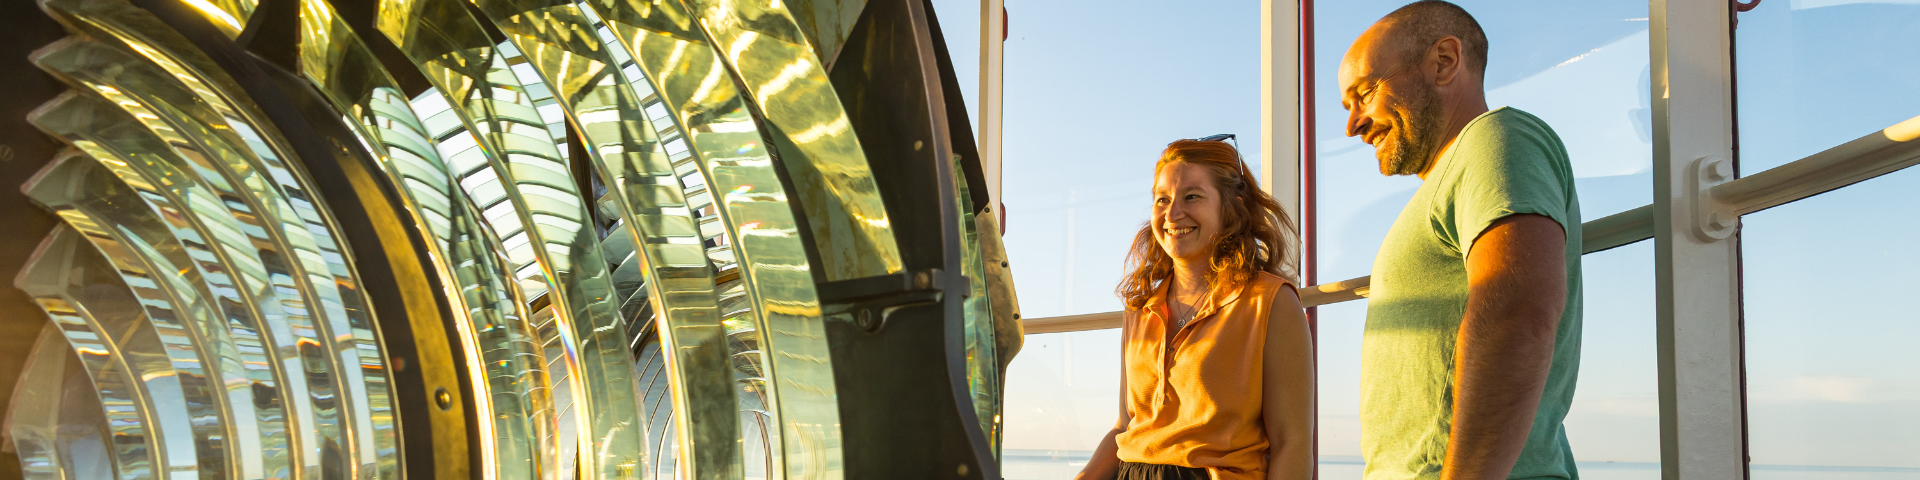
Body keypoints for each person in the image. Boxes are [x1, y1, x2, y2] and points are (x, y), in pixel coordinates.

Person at [1337, 1, 1584, 479]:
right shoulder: (1453, 177)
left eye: (1364, 93)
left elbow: (1519, 312)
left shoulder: (1498, 139)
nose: (1353, 124)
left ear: (1444, 62)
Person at [1075, 138, 1314, 480]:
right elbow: (1126, 427)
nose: (1173, 214)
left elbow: (1292, 443)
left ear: (1231, 206)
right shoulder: (1141, 307)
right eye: (1162, 200)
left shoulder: (1270, 301)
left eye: (1192, 196)